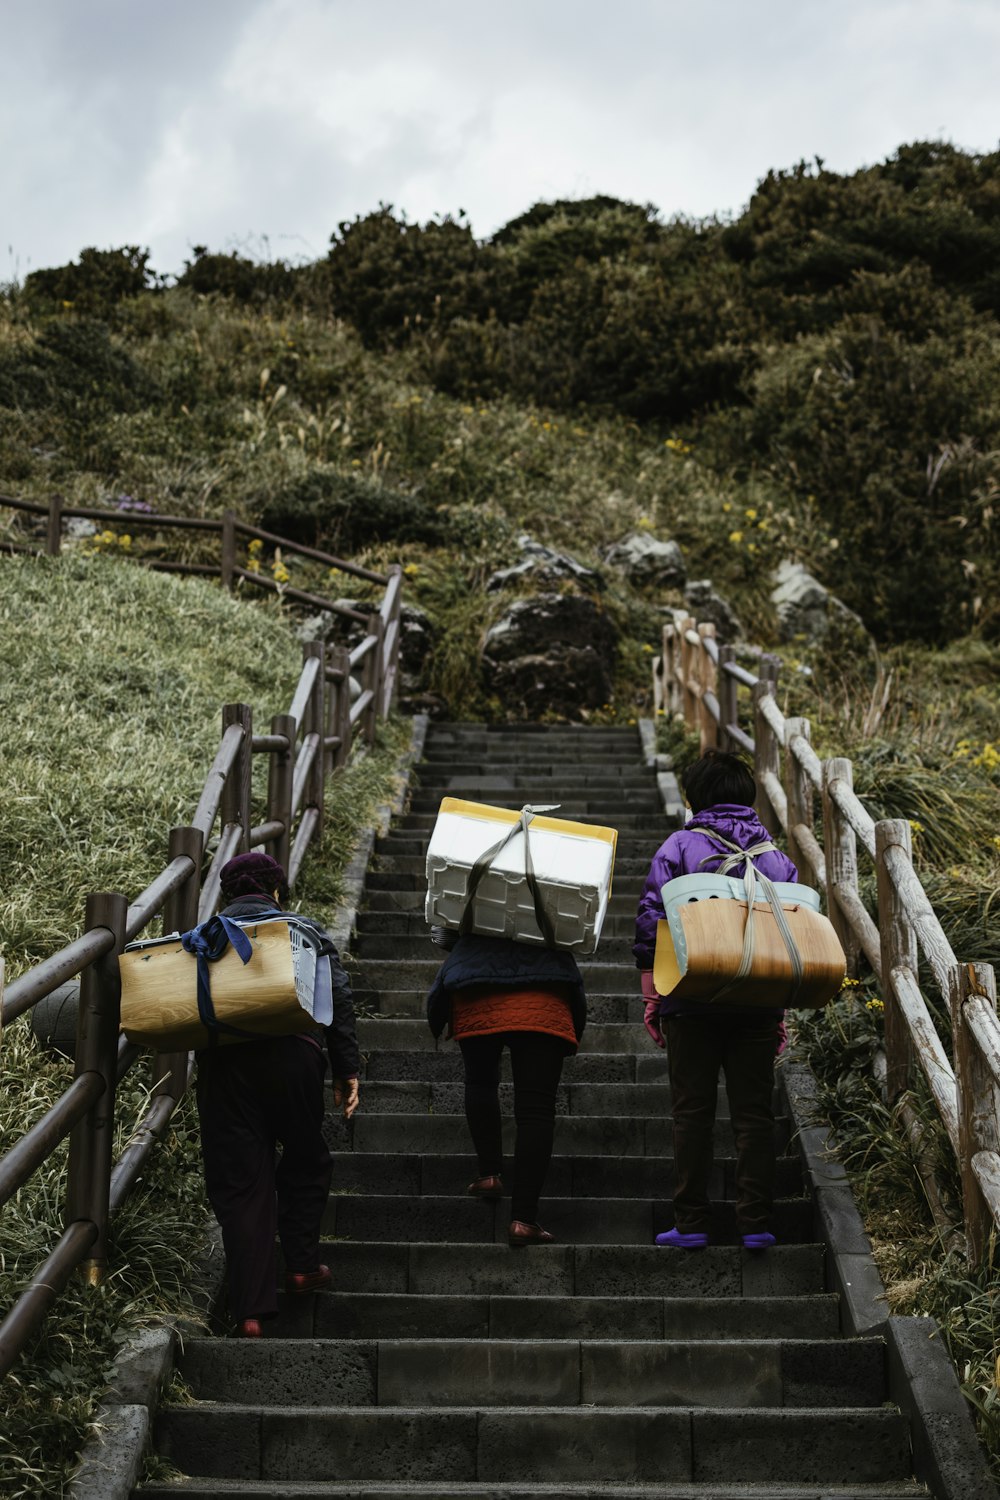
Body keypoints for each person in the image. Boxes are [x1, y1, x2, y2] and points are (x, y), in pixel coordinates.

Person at [633, 749, 797, 1251]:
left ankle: (691, 1222)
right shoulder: (774, 857)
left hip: (690, 997)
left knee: (692, 1114)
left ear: (694, 796)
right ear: (747, 797)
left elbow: (651, 919)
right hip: (756, 1000)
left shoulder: (680, 846)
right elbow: (787, 931)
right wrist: (780, 1008)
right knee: (753, 1115)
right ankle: (756, 1224)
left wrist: (652, 994)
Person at [193, 851, 360, 1336]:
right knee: (306, 1158)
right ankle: (303, 1266)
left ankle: (250, 1313)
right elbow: (338, 999)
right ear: (276, 892)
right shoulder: (301, 929)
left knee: (243, 1183)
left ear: (226, 895)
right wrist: (345, 1070)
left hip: (225, 1067)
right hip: (294, 1058)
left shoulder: (206, 936)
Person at [426, 929, 586, 1245]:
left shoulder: (471, 875)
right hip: (545, 987)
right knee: (536, 1110)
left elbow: (443, 933)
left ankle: (488, 1174)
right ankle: (524, 1220)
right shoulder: (561, 875)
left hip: (477, 983)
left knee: (481, 1081)